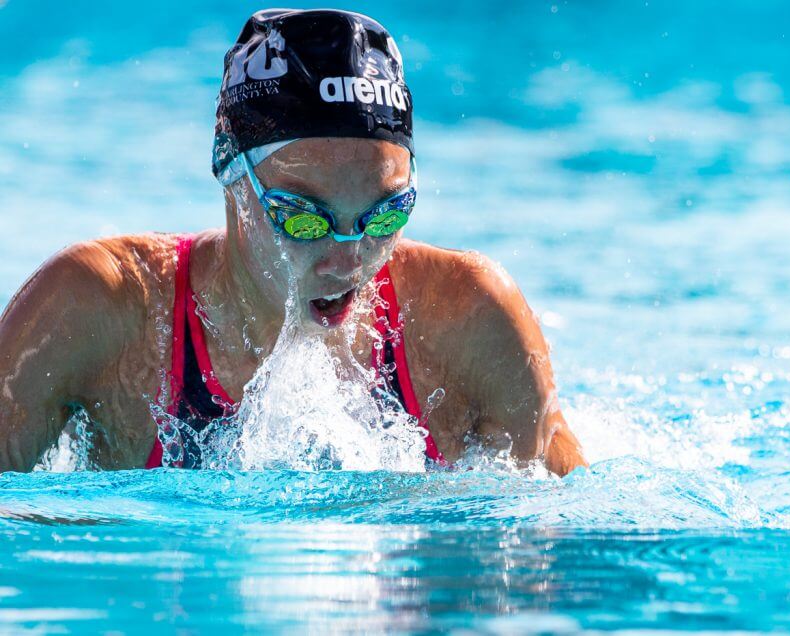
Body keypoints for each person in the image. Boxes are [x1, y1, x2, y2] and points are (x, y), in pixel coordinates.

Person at [0, 9, 586, 475]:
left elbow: (561, 548)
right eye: (304, 218)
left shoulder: (469, 320)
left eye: (384, 216)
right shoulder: (98, 311)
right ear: (231, 174)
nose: (348, 258)